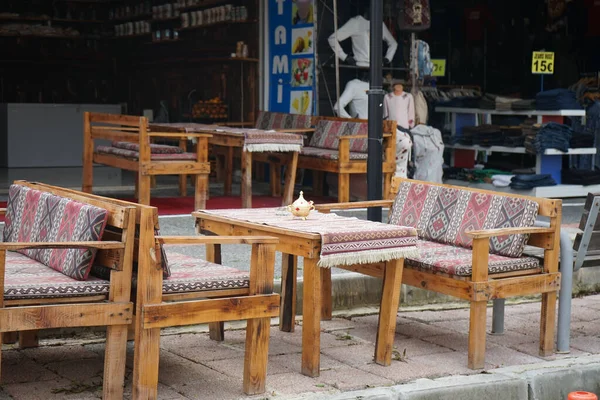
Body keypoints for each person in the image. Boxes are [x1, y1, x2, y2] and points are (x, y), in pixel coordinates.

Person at [328, 9, 397, 67]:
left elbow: (393, 43)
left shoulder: (379, 24)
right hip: (360, 66)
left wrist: (387, 58)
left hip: (377, 67)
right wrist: (345, 57)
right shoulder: (355, 22)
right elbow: (332, 39)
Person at [383, 81, 415, 178]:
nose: (398, 87)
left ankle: (406, 169)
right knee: (392, 150)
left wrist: (411, 125)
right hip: (392, 128)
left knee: (406, 148)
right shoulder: (387, 97)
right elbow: (385, 113)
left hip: (404, 127)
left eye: (400, 85)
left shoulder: (408, 97)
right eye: (396, 85)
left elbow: (411, 111)